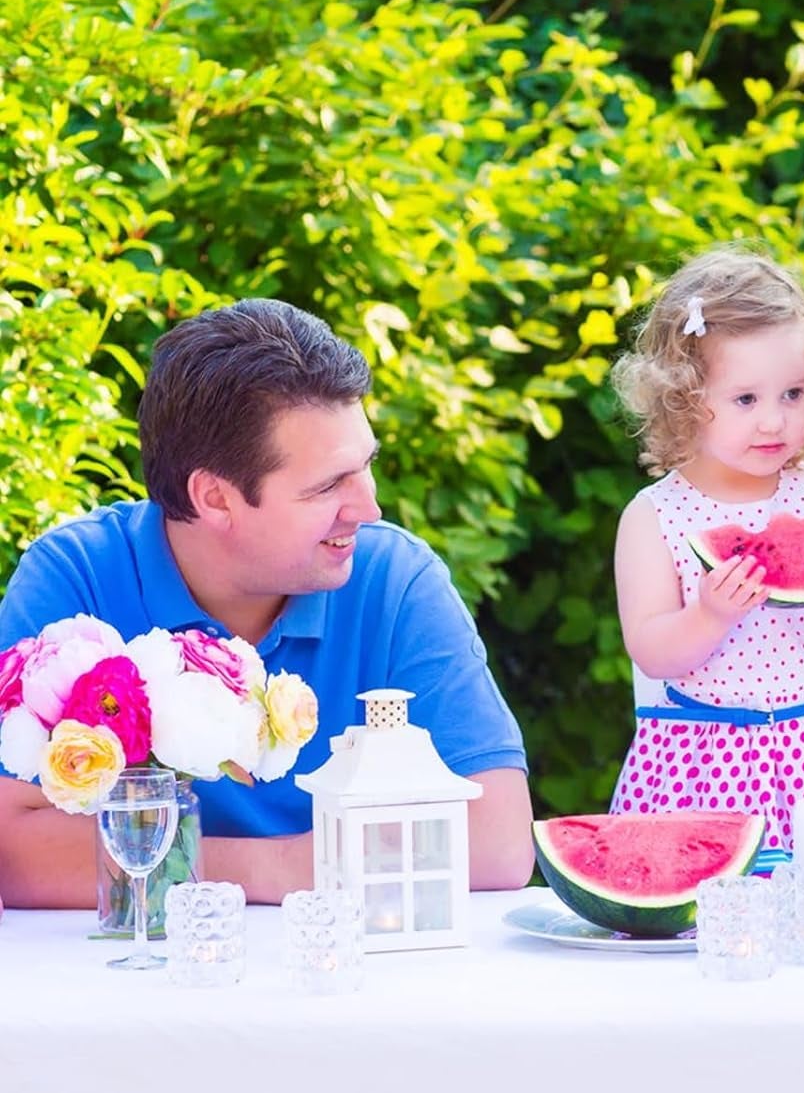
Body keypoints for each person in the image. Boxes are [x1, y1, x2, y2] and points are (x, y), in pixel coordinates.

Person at [0, 298, 534, 905]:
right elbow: (12, 852)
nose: (369, 508)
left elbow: (499, 840)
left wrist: (184, 863)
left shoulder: (396, 580)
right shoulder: (78, 580)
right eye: (328, 485)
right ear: (215, 498)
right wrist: (282, 868)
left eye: (365, 468)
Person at [610, 247, 804, 878]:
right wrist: (709, 615)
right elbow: (653, 651)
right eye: (745, 399)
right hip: (703, 762)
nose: (774, 419)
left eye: (792, 393)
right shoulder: (654, 516)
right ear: (683, 398)